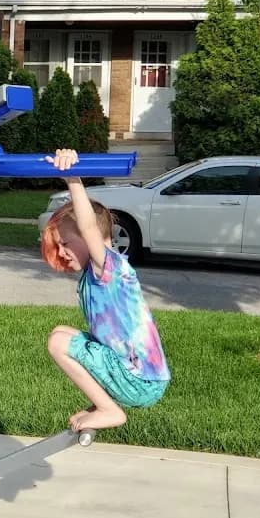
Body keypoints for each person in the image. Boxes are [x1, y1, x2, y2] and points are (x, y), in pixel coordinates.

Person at [40, 148, 170, 432]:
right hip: (137, 373)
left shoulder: (108, 267)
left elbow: (87, 226)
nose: (61, 251)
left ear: (93, 239)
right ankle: (102, 402)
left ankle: (109, 410)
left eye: (65, 242)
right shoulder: (94, 273)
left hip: (140, 380)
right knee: (62, 333)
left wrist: (72, 179)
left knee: (58, 345)